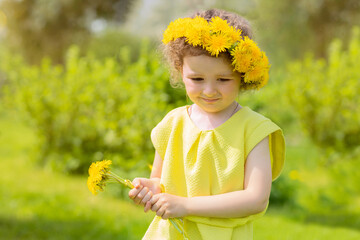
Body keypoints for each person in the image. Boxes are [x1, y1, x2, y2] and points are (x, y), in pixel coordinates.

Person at [128, 8, 285, 240]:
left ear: (242, 74)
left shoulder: (254, 129)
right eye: (197, 79)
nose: (209, 90)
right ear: (181, 71)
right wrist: (152, 188)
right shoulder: (173, 124)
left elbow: (256, 199)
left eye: (223, 79)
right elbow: (160, 180)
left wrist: (187, 206)